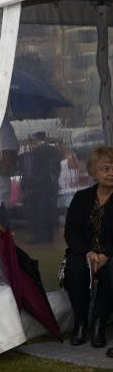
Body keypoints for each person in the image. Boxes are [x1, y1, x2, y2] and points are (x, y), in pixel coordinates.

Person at [63, 146, 113, 352]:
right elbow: (70, 232)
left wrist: (106, 254)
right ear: (93, 172)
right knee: (75, 269)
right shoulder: (81, 198)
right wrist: (88, 253)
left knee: (112, 272)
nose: (111, 173)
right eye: (105, 168)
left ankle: (99, 323)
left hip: (111, 254)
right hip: (85, 252)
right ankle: (81, 322)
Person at [24, 131, 63, 244]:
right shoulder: (53, 150)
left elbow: (30, 170)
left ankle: (40, 236)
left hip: (39, 187)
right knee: (50, 210)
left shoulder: (35, 152)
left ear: (36, 139)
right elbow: (57, 168)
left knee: (38, 211)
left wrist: (30, 183)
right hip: (51, 186)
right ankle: (49, 235)